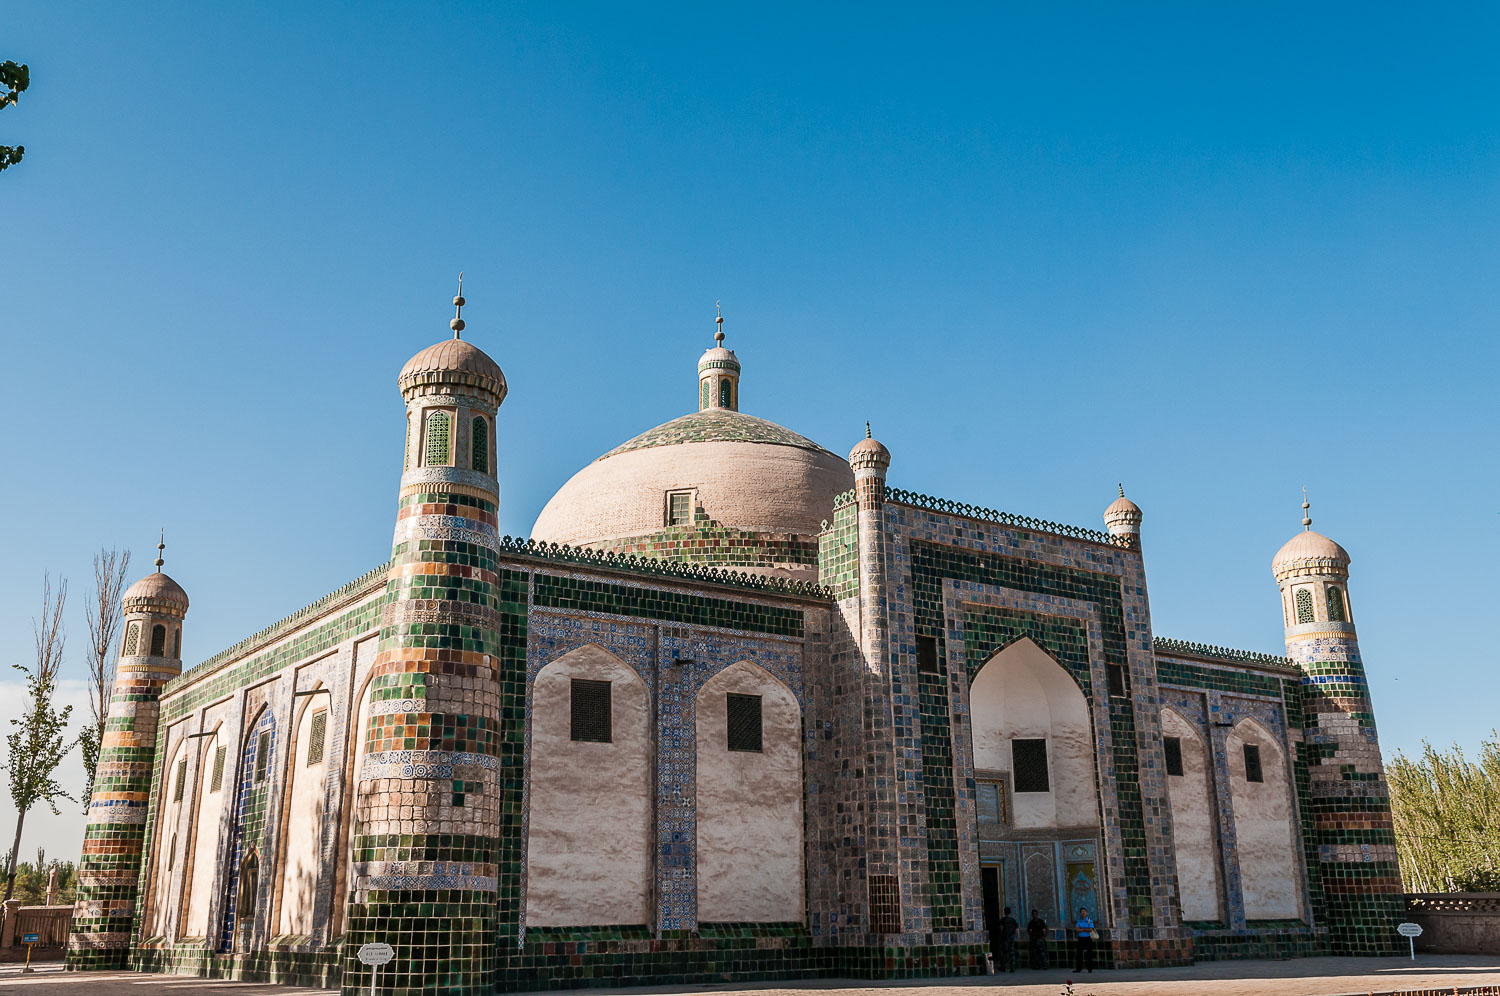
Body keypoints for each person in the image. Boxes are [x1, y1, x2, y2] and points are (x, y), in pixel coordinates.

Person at [996, 906, 1019, 972]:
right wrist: (1012, 935)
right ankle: (1012, 968)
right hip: (1011, 938)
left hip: (1004, 938)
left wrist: (1001, 934)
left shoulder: (1003, 920)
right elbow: (1016, 930)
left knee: (1003, 953)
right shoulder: (1013, 920)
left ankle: (1003, 967)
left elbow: (1001, 928)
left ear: (1005, 912)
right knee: (1012, 953)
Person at [1073, 907, 1095, 973]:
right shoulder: (1079, 921)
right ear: (1080, 913)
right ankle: (1078, 968)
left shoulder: (1089, 920)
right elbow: (1077, 929)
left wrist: (1081, 929)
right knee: (1079, 954)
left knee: (1089, 954)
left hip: (1088, 938)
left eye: (1084, 911)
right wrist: (1085, 929)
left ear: (1086, 913)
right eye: (1082, 912)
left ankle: (1090, 969)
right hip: (1081, 938)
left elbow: (1090, 929)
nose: (1083, 913)